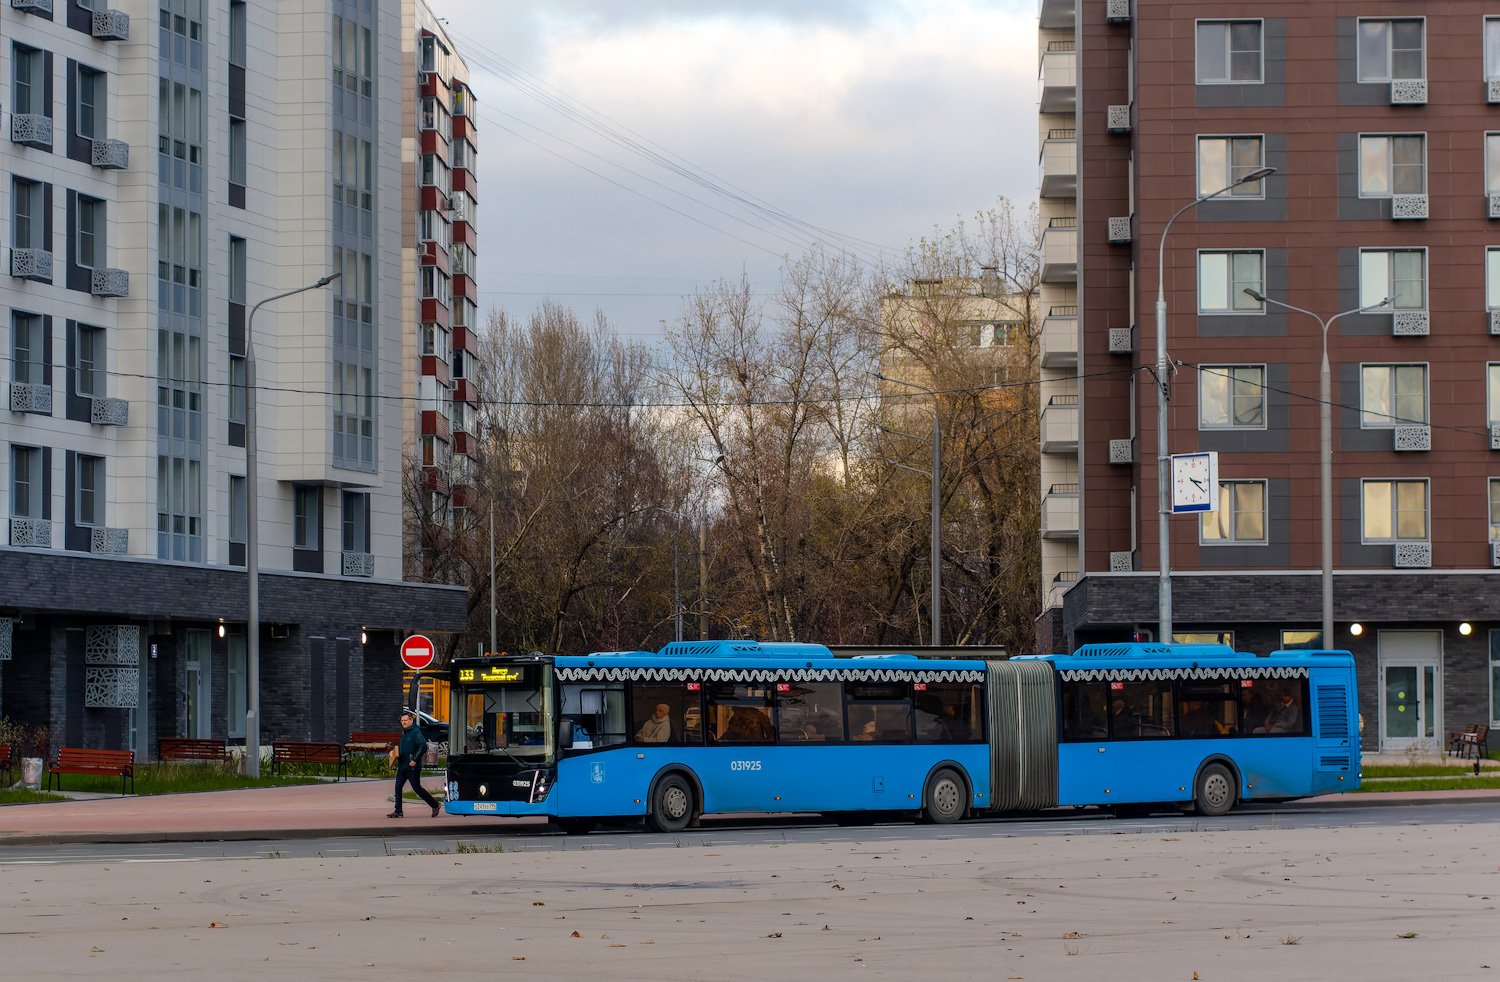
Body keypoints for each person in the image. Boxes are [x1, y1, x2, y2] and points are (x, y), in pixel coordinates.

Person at [389, 710, 441, 819]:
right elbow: (404, 749)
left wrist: (415, 760)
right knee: (398, 788)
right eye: (402, 721)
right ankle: (398, 811)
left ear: (411, 720)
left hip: (412, 767)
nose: (403, 722)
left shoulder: (415, 732)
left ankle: (435, 805)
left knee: (417, 789)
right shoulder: (405, 733)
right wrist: (393, 753)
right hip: (403, 766)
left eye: (405, 720)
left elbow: (422, 746)